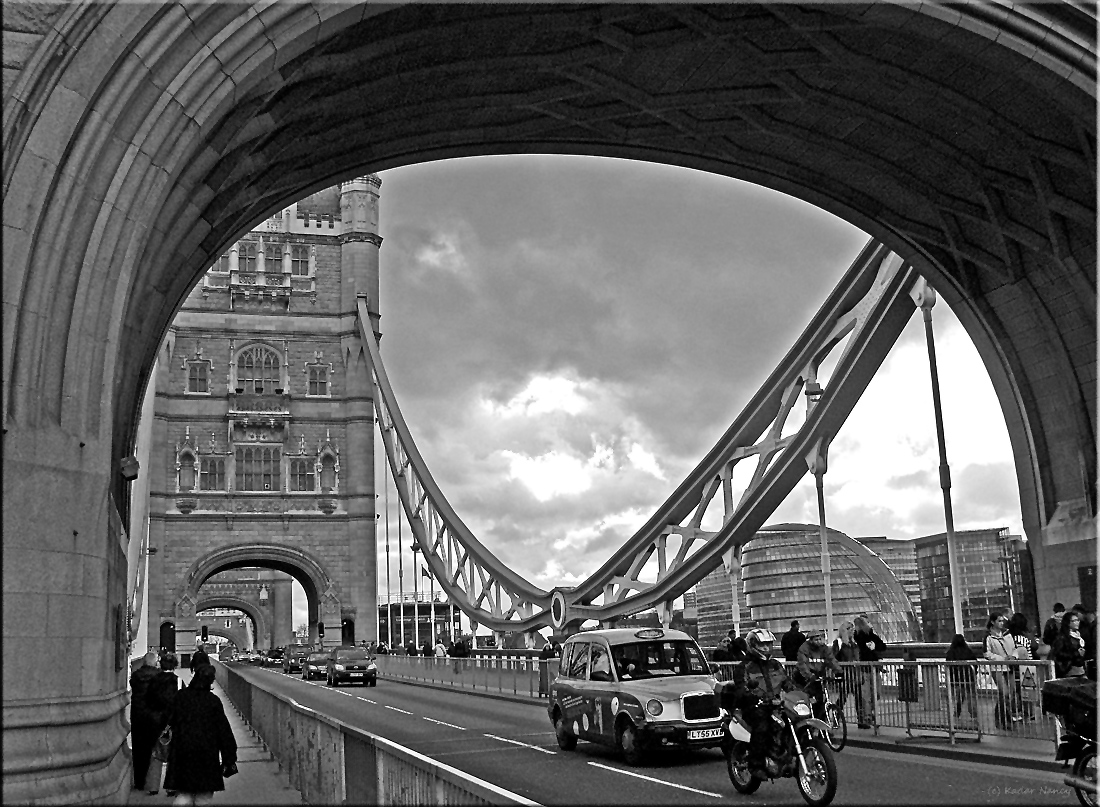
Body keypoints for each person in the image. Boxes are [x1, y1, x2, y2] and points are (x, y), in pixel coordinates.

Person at [163, 663, 237, 806]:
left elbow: (169, 720)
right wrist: (229, 757)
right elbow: (224, 731)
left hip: (182, 751)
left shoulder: (181, 697)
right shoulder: (213, 701)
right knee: (204, 797)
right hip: (206, 753)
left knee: (184, 793)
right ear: (210, 680)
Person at [732, 628, 794, 781]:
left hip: (776, 705)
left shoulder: (775, 665)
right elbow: (741, 688)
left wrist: (799, 693)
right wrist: (753, 697)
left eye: (768, 645)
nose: (766, 648)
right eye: (762, 645)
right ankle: (756, 764)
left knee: (793, 720)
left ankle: (786, 755)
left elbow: (786, 682)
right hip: (755, 706)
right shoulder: (744, 667)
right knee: (762, 726)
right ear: (753, 645)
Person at [143, 653, 182, 795]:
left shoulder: (153, 680)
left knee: (156, 753)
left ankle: (153, 786)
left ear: (161, 664)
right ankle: (171, 786)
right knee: (173, 754)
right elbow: (181, 703)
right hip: (172, 722)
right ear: (175, 665)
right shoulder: (177, 681)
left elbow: (148, 701)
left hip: (155, 721)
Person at [130, 650, 165, 793]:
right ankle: (152, 784)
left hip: (138, 717)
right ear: (155, 662)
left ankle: (139, 781)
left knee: (139, 750)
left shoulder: (136, 676)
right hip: (154, 718)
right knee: (154, 750)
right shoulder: (159, 677)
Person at [983, 613, 1021, 728]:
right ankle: (1006, 718)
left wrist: (1013, 656)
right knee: (1004, 693)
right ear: (993, 622)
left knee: (1012, 691)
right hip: (998, 667)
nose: (1001, 623)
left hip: (1009, 666)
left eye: (1002, 621)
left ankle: (1000, 716)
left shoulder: (1008, 634)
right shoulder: (988, 637)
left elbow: (1015, 647)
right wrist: (1001, 659)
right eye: (999, 621)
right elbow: (986, 653)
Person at [794, 630, 842, 718]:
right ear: (811, 640)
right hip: (803, 677)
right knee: (806, 700)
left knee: (820, 700)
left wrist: (838, 672)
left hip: (818, 675)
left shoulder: (824, 648)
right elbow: (802, 664)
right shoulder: (804, 648)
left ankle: (822, 725)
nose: (819, 641)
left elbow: (831, 660)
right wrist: (808, 675)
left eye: (820, 639)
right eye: (816, 639)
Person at [852, 616, 885, 728]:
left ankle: (869, 715)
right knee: (871, 694)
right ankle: (868, 716)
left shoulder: (869, 636)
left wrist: (874, 647)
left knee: (869, 694)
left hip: (870, 668)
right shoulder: (858, 638)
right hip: (867, 668)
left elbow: (881, 646)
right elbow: (882, 646)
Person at [944, 634, 978, 720]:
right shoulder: (969, 651)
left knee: (959, 697)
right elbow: (975, 663)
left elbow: (949, 666)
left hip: (957, 679)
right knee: (971, 696)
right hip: (969, 677)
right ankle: (973, 714)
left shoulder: (951, 652)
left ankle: (956, 713)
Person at [1052, 610, 1088, 679]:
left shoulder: (1079, 635)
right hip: (1069, 671)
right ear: (1068, 623)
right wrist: (1076, 654)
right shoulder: (1063, 637)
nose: (1077, 623)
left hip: (1081, 669)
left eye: (1078, 620)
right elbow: (1058, 653)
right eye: (1073, 621)